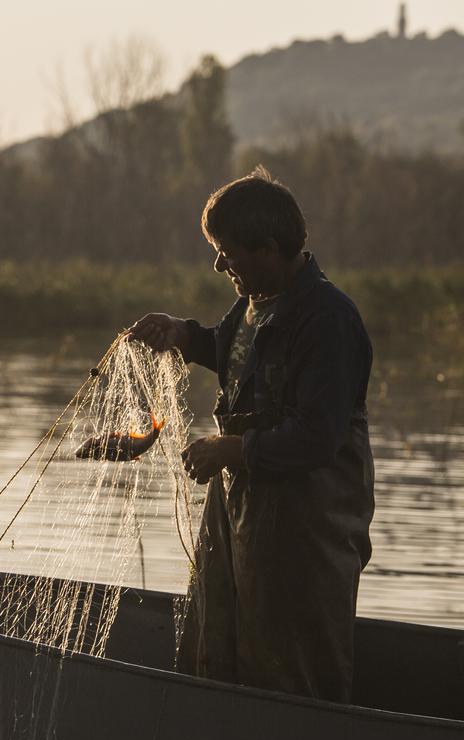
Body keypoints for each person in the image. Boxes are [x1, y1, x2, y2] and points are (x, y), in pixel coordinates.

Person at [127, 167, 374, 703]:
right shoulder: (255, 304)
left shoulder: (328, 319)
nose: (220, 264)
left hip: (307, 529)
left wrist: (230, 450)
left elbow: (318, 437)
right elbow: (235, 355)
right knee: (221, 638)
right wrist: (184, 336)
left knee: (292, 665)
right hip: (243, 509)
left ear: (268, 248)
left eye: (228, 251)